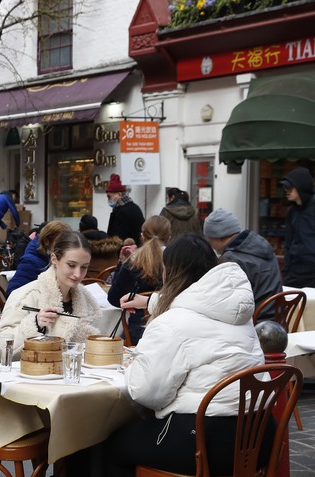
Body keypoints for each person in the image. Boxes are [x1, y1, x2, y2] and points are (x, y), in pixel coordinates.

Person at [101, 234, 265, 476]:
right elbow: (195, 308)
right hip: (256, 434)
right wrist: (150, 302)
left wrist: (133, 365)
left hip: (206, 442)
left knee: (108, 445)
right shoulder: (237, 314)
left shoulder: (173, 323)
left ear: (172, 272)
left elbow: (148, 393)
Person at [0, 230, 100, 359]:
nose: (77, 274)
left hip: (76, 374)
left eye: (84, 267)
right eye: (71, 265)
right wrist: (35, 324)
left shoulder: (88, 301)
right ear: (54, 259)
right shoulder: (26, 296)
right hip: (33, 374)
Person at [204, 208, 282, 321]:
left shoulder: (231, 259)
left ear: (217, 238)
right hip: (278, 318)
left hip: (255, 323)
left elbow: (225, 303)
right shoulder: (262, 245)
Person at [107, 215, 171, 345]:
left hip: (138, 331)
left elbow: (114, 299)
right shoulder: (175, 261)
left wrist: (122, 262)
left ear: (142, 236)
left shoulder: (132, 262)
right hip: (170, 328)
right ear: (169, 238)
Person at [5, 220, 70, 297]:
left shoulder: (53, 257)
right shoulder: (31, 262)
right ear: (46, 241)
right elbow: (12, 292)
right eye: (60, 243)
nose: (65, 247)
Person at [281, 167, 315, 287]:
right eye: (285, 187)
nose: (287, 191)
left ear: (300, 187)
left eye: (290, 187)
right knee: (289, 303)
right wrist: (286, 268)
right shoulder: (291, 212)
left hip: (313, 271)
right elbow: (288, 243)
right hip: (295, 271)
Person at [106, 174, 145, 246]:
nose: (108, 200)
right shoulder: (135, 207)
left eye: (109, 197)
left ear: (119, 194)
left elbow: (118, 239)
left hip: (126, 251)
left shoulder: (122, 212)